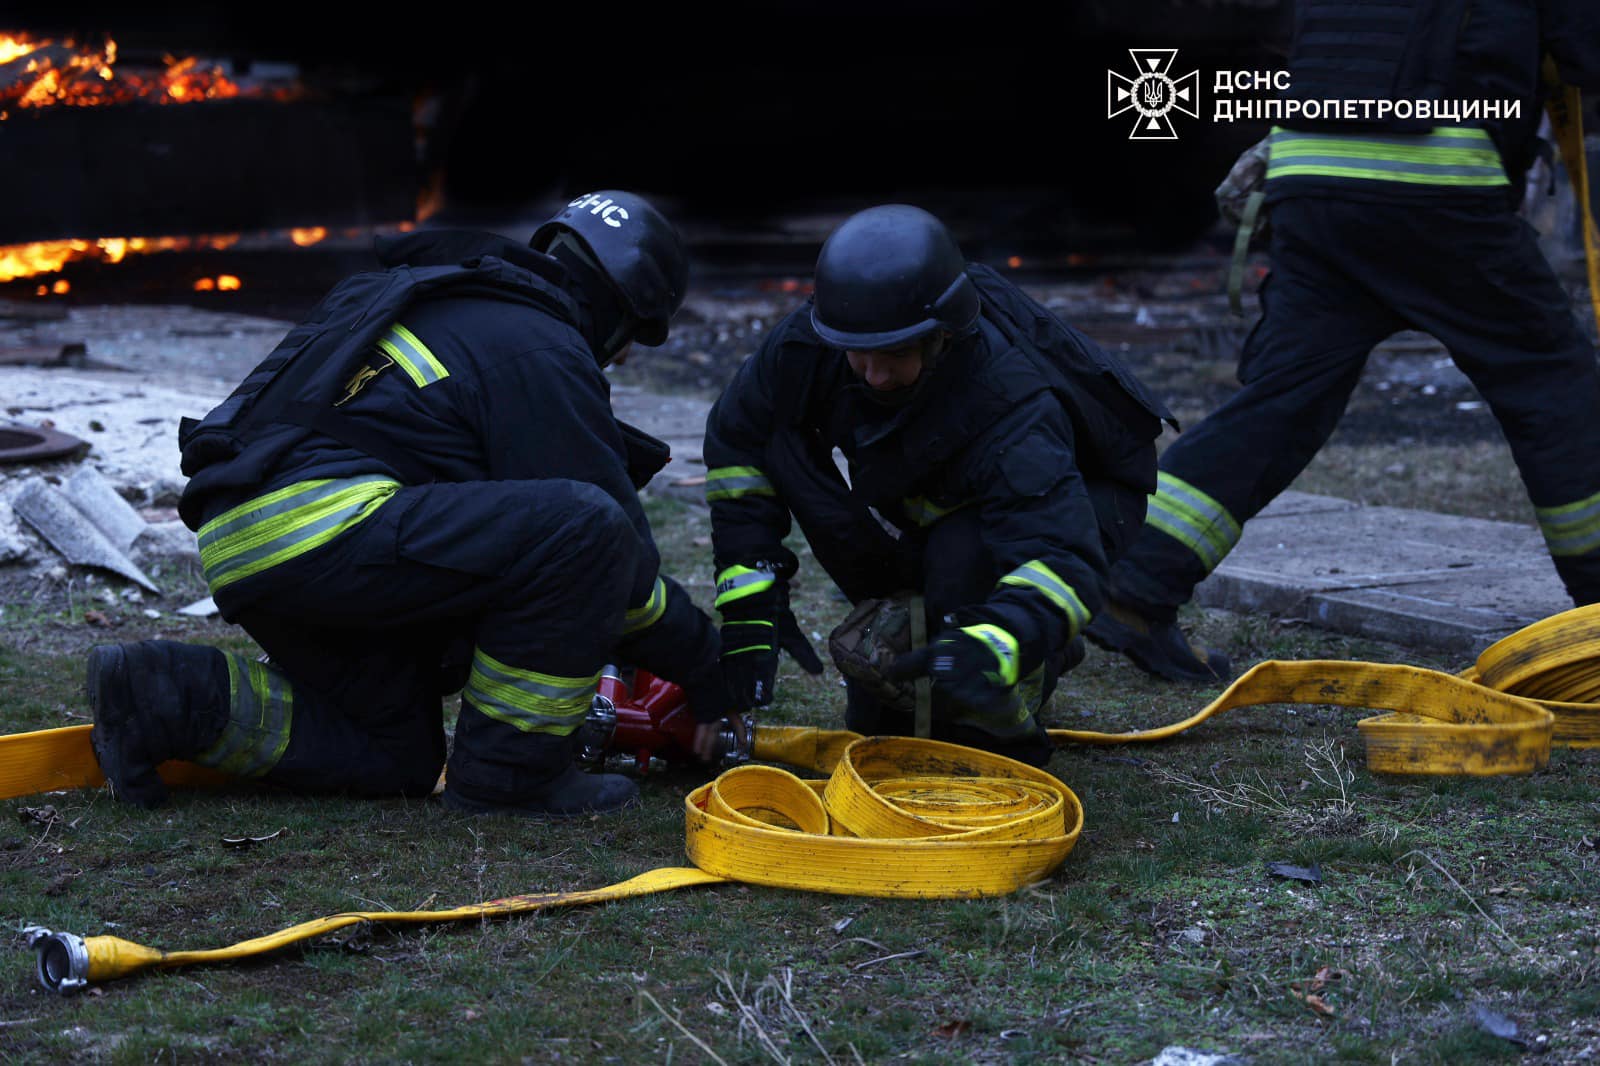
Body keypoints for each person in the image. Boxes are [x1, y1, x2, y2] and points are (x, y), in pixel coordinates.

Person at [87, 190, 732, 816]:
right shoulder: (543, 343)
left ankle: (158, 696)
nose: (618, 357)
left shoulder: (456, 303)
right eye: (630, 339)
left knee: (395, 752)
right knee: (590, 529)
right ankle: (510, 777)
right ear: (619, 311)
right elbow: (623, 574)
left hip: (244, 538)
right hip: (325, 524)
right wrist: (708, 671)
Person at [1088, 0, 1600, 682]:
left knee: (1284, 400)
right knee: (1552, 387)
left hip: (1313, 182)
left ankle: (1139, 582)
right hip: (1437, 186)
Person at [701, 204, 1171, 765]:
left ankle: (1018, 683)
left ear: (941, 335)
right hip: (938, 492)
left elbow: (1064, 557)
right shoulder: (817, 339)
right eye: (859, 354)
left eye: (896, 355)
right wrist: (752, 601)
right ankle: (949, 630)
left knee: (958, 650)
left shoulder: (1010, 404)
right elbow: (741, 442)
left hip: (1082, 508)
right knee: (883, 716)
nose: (874, 375)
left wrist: (997, 639)